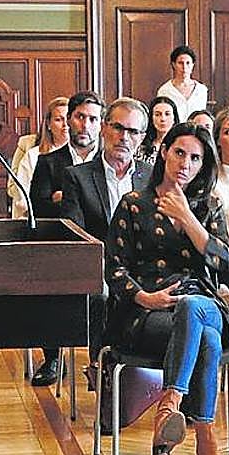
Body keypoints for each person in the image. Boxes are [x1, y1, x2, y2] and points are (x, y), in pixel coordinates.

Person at [104, 123, 229, 455]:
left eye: (196, 158)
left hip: (203, 303)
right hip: (150, 312)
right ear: (163, 152)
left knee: (196, 309)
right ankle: (206, 451)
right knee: (207, 343)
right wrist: (144, 297)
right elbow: (112, 267)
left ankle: (170, 402)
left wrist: (190, 220)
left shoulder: (207, 207)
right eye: (179, 153)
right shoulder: (134, 203)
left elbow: (227, 263)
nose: (186, 164)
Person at [61, 97, 152, 382]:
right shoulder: (77, 177)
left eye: (133, 132)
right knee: (100, 293)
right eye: (118, 127)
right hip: (99, 265)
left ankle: (155, 375)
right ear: (103, 128)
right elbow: (76, 233)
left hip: (143, 267)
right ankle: (102, 368)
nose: (125, 137)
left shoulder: (150, 177)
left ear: (142, 138)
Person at [28, 90, 104, 385]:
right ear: (69, 120)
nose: (86, 125)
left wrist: (65, 196)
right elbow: (40, 205)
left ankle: (100, 362)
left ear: (101, 124)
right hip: (61, 243)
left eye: (93, 119)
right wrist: (70, 199)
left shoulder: (106, 162)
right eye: (80, 117)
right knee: (48, 285)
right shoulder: (49, 162)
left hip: (102, 245)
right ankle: (52, 359)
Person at [11, 95, 68, 219]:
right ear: (48, 124)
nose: (65, 125)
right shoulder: (33, 155)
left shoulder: (84, 154)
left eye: (68, 119)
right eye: (59, 119)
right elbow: (22, 198)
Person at [156, 44, 208, 122]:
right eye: (180, 63)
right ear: (174, 65)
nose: (184, 67)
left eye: (188, 63)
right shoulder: (165, 90)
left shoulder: (201, 90)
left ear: (193, 65)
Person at [139, 95, 179, 166]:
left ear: (174, 118)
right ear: (151, 118)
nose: (163, 119)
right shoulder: (141, 145)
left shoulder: (180, 145)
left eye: (167, 114)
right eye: (158, 114)